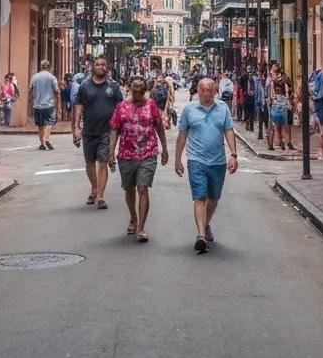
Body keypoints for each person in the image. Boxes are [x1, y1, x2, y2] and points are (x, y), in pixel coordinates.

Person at [175, 77, 239, 254]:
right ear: (198, 90)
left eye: (210, 90)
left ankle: (206, 223)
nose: (206, 93)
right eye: (203, 90)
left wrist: (233, 154)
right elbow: (182, 136)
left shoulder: (222, 108)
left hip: (217, 161)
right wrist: (177, 159)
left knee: (214, 198)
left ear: (215, 91)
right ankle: (201, 235)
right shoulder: (189, 110)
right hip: (196, 160)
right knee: (200, 196)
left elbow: (228, 131)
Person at [108, 76, 169, 242]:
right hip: (126, 155)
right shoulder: (121, 107)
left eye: (140, 90)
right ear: (129, 89)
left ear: (145, 91)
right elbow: (114, 129)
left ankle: (141, 227)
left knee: (143, 188)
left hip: (148, 153)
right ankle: (133, 217)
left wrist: (164, 148)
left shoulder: (151, 106)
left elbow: (158, 126)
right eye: (134, 89)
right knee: (129, 189)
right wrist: (111, 151)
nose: (137, 92)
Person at [72, 56, 123, 208]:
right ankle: (94, 187)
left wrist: (121, 128)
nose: (100, 67)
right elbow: (79, 105)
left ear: (107, 67)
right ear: (92, 67)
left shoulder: (113, 86)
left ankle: (100, 196)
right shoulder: (85, 85)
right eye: (97, 64)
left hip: (107, 131)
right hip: (89, 130)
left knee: (102, 162)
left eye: (103, 64)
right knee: (89, 163)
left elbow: (120, 107)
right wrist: (76, 127)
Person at [29, 59, 60, 151]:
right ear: (49, 67)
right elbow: (57, 91)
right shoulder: (52, 77)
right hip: (48, 104)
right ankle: (46, 139)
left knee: (40, 125)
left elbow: (30, 89)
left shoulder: (34, 77)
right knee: (49, 122)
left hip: (37, 105)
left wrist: (31, 100)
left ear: (41, 66)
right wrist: (58, 103)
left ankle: (42, 144)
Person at [269, 67, 295, 152]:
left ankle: (280, 142)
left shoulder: (272, 83)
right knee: (285, 129)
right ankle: (289, 144)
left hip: (275, 108)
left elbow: (271, 97)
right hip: (283, 109)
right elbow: (287, 96)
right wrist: (290, 106)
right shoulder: (285, 83)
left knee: (276, 128)